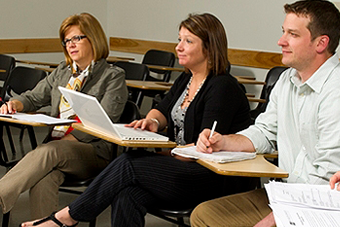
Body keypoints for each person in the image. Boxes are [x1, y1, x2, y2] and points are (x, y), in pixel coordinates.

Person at [21, 13, 253, 227]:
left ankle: (66, 218)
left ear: (210, 47)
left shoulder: (222, 86)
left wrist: (169, 150)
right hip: (181, 168)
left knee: (129, 163)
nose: (178, 47)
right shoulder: (186, 80)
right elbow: (161, 110)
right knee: (126, 194)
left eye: (188, 41)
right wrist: (151, 122)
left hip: (209, 176)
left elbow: (206, 146)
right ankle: (66, 218)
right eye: (179, 39)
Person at [190, 1, 340, 226]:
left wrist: (277, 217)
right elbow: (265, 132)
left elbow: (327, 175)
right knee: (205, 214)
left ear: (321, 43)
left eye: (293, 34)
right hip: (285, 195)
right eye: (283, 32)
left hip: (321, 207)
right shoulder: (287, 80)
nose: (281, 41)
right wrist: (223, 142)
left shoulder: (335, 90)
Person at [0, 13, 128, 219]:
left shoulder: (112, 76)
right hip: (58, 150)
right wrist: (16, 103)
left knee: (50, 150)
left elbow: (104, 122)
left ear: (94, 38)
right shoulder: (63, 71)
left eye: (77, 38)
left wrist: (70, 139)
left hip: (94, 151)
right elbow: (34, 97)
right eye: (67, 40)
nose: (71, 44)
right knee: (45, 177)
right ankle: (45, 223)